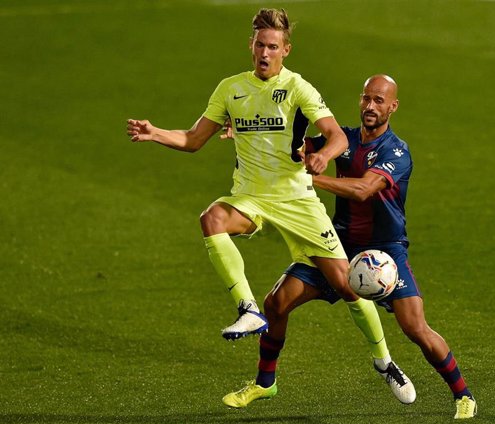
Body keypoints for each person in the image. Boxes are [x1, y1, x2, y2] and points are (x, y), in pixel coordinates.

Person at [126, 8, 411, 400]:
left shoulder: (298, 88)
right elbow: (194, 139)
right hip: (251, 196)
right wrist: (155, 132)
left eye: (273, 46)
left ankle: (384, 361)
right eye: (260, 44)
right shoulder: (230, 89)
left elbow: (338, 137)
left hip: (296, 199)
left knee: (347, 286)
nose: (265, 52)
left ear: (286, 50)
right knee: (211, 219)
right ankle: (248, 312)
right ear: (251, 45)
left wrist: (323, 156)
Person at [222, 75, 477, 419]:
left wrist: (309, 179)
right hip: (339, 244)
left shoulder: (396, 151)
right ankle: (265, 383)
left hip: (385, 251)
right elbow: (293, 150)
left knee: (415, 328)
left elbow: (362, 190)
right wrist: (249, 135)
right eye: (366, 99)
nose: (371, 107)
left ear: (392, 107)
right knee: (276, 303)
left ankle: (463, 395)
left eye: (379, 101)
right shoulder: (346, 140)